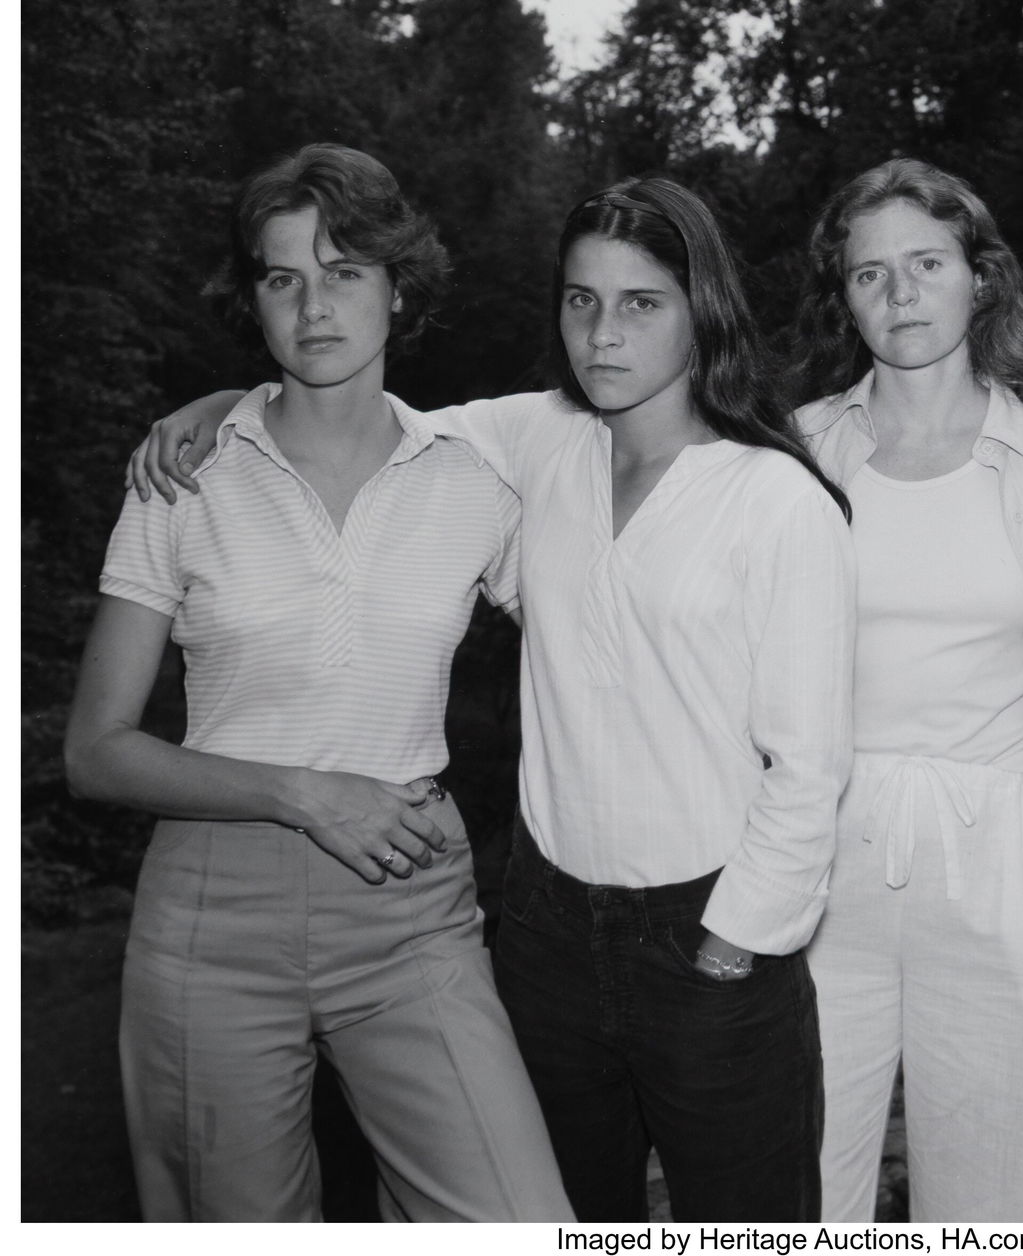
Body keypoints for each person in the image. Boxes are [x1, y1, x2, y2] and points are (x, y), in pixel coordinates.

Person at [127, 176, 856, 1223]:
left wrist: (733, 940)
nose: (602, 333)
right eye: (579, 300)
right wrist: (214, 410)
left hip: (712, 928)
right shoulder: (539, 443)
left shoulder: (775, 497)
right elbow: (357, 418)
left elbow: (813, 760)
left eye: (640, 302)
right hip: (548, 935)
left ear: (702, 308)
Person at [65, 144, 573, 1222]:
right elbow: (97, 750)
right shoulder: (183, 475)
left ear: (399, 284)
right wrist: (299, 790)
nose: (314, 305)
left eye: (343, 271)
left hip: (410, 900)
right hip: (212, 907)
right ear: (251, 299)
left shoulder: (473, 476)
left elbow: (608, 640)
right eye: (282, 276)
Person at [787, 158, 1023, 1222]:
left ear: (979, 277)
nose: (898, 294)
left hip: (1006, 856)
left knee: (1011, 1207)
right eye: (869, 273)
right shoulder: (796, 450)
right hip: (822, 867)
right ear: (842, 295)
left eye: (926, 263)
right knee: (795, 1192)